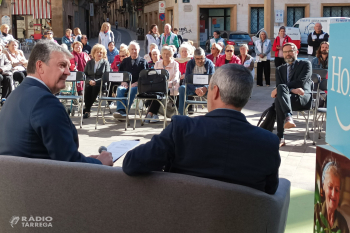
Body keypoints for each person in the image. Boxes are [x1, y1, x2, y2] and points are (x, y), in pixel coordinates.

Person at [123, 64, 281, 195]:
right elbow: (270, 192)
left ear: (216, 91)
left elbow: (132, 163)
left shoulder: (182, 129)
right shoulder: (268, 143)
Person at [0, 40, 113, 165]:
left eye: (68, 66)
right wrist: (100, 163)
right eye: (62, 65)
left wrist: (88, 160)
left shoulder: (16, 94)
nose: (68, 72)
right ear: (40, 66)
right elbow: (69, 164)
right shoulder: (45, 102)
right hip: (41, 181)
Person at [271, 42, 312, 147]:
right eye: (285, 52)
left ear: (296, 52)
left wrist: (284, 88)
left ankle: (280, 136)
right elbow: (279, 87)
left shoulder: (306, 64)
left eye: (290, 51)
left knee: (279, 99)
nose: (287, 54)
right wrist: (292, 90)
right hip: (287, 97)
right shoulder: (280, 69)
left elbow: (301, 82)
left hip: (302, 98)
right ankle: (288, 117)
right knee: (279, 99)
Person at [112, 41, 149, 119]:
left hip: (137, 86)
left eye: (135, 49)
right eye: (132, 49)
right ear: (129, 50)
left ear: (138, 50)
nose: (133, 51)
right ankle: (121, 110)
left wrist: (137, 83)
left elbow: (145, 77)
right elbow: (120, 74)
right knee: (119, 89)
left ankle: (124, 112)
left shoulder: (143, 62)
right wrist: (123, 81)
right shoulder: (125, 61)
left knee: (132, 90)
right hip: (126, 84)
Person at [145, 46, 180, 123]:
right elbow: (154, 76)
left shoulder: (175, 64)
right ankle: (153, 114)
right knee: (159, 92)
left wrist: (167, 84)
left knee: (160, 92)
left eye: (168, 54)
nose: (166, 55)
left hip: (172, 87)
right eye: (164, 53)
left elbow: (176, 78)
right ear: (161, 55)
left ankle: (150, 113)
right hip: (159, 87)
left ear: (171, 55)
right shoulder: (157, 63)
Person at [314, 158, 349, 233]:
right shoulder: (314, 213)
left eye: (337, 190)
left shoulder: (343, 225)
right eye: (330, 187)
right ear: (323, 186)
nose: (333, 194)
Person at [178, 47, 215, 115]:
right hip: (192, 87)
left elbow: (213, 80)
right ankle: (182, 114)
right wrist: (195, 89)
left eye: (202, 58)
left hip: (206, 88)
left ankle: (214, 114)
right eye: (197, 59)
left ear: (205, 56)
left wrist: (205, 88)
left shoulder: (209, 63)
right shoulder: (190, 63)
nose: (200, 61)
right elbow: (186, 80)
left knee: (215, 89)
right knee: (182, 88)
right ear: (194, 58)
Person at [83, 44, 110, 119]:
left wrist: (96, 82)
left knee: (95, 88)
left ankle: (87, 109)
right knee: (88, 88)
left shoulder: (105, 63)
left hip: (100, 83)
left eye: (101, 52)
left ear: (103, 54)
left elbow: (106, 76)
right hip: (90, 82)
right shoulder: (89, 63)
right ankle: (87, 110)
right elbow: (84, 75)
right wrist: (89, 81)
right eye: (97, 52)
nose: (99, 54)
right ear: (94, 53)